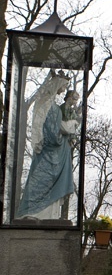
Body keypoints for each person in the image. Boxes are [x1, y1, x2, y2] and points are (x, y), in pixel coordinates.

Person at [17, 72, 76, 220]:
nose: (63, 90)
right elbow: (51, 132)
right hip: (49, 154)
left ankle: (47, 215)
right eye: (63, 86)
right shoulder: (48, 105)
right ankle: (33, 213)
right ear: (57, 84)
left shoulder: (50, 104)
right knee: (42, 183)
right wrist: (67, 131)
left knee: (47, 184)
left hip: (53, 154)